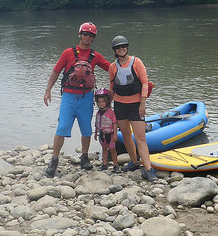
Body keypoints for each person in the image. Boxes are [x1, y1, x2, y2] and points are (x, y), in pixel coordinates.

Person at [43, 22, 110, 177]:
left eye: (91, 35)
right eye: (85, 34)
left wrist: (128, 65)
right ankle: (54, 160)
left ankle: (84, 158)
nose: (87, 37)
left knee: (86, 128)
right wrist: (47, 91)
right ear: (80, 34)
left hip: (86, 97)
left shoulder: (95, 56)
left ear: (93, 38)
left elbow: (111, 68)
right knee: (62, 127)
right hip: (68, 96)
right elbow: (56, 71)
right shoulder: (68, 53)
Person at [108, 35, 157, 182]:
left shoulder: (137, 62)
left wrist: (143, 103)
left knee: (140, 137)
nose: (121, 49)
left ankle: (148, 169)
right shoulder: (112, 67)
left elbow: (144, 83)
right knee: (126, 134)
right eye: (118, 47)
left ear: (127, 47)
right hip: (120, 105)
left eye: (123, 46)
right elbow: (112, 87)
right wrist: (108, 107)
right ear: (115, 50)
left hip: (136, 105)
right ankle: (134, 162)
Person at [93, 88, 119, 172]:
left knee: (112, 150)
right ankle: (104, 164)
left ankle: (115, 165)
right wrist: (95, 133)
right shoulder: (98, 113)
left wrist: (115, 135)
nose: (101, 104)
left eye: (103, 102)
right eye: (99, 102)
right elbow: (97, 124)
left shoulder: (111, 112)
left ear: (107, 102)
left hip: (110, 134)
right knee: (104, 149)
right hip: (101, 134)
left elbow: (114, 123)